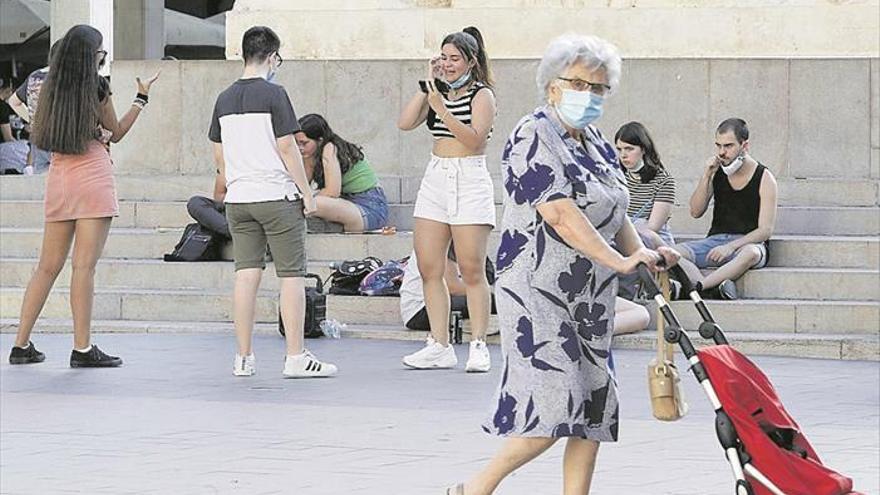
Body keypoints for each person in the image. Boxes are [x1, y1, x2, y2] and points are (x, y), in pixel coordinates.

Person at [447, 34, 678, 495]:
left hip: (590, 294)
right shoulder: (532, 133)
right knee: (553, 404)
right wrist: (619, 259)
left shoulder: (596, 142)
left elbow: (615, 210)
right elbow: (559, 213)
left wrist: (645, 252)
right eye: (578, 84)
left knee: (593, 404)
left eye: (598, 88)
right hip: (538, 289)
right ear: (552, 86)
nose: (589, 96)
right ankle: (474, 488)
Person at [8, 24, 159, 367]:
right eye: (100, 53)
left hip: (59, 176)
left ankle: (20, 345)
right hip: (92, 175)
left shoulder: (45, 87)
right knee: (83, 267)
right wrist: (141, 98)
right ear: (90, 56)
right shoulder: (97, 86)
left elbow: (35, 123)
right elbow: (116, 133)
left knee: (46, 268)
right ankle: (82, 348)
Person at [209, 26, 337, 378]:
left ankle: (243, 357)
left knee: (246, 276)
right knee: (291, 277)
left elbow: (218, 155)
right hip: (276, 197)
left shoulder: (223, 98)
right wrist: (307, 193)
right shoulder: (275, 94)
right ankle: (295, 356)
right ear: (272, 56)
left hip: (240, 199)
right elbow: (286, 147)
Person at [397, 26, 496, 373]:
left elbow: (475, 140)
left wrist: (443, 107)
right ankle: (439, 343)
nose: (448, 64)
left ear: (470, 61)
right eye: (443, 58)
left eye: (455, 58)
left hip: (468, 177)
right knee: (429, 266)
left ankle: (479, 343)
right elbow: (405, 122)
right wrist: (428, 87)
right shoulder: (435, 92)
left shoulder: (482, 95)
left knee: (471, 267)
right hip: (436, 176)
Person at [671, 118, 777, 300]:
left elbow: (765, 231)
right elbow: (695, 212)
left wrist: (730, 247)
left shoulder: (765, 177)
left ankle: (699, 287)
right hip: (715, 241)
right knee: (673, 253)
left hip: (748, 245)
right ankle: (712, 288)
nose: (722, 152)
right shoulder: (717, 171)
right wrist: (706, 176)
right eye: (718, 146)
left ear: (745, 146)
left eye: (728, 146)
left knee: (751, 253)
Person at [614, 121, 678, 300]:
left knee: (639, 235)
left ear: (643, 149)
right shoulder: (616, 177)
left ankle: (626, 295)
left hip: (652, 238)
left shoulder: (663, 180)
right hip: (624, 233)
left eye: (629, 149)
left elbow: (653, 228)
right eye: (619, 150)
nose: (623, 155)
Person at [295, 113, 389, 232]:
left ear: (320, 140)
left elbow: (332, 192)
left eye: (304, 143)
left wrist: (306, 199)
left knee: (312, 202)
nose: (299, 148)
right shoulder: (310, 154)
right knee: (300, 202)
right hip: (346, 205)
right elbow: (303, 186)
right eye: (296, 143)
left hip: (369, 207)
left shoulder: (329, 148)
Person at [399, 246, 496, 332]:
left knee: (490, 299)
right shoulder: (441, 240)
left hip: (436, 306)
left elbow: (488, 276)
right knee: (490, 300)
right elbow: (452, 287)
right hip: (421, 311)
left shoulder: (466, 242)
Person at [8, 41, 61, 174]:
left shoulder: (35, 76)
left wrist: (33, 120)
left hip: (39, 140)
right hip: (62, 140)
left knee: (45, 187)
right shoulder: (68, 77)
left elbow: (13, 101)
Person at [186, 171, 231, 239]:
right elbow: (219, 196)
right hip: (230, 209)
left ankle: (235, 233)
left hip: (248, 211)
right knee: (195, 203)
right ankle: (232, 232)